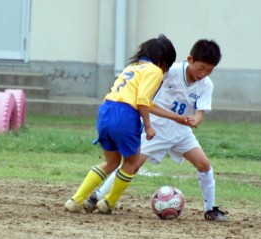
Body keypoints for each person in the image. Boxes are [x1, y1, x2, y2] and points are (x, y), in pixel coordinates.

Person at [84, 39, 228, 222]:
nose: (204, 74)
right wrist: (168, 118)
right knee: (131, 165)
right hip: (156, 129)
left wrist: (196, 119)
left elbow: (201, 111)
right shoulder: (169, 72)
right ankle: (97, 197)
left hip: (182, 133)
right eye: (201, 68)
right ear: (190, 59)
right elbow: (147, 102)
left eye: (210, 70)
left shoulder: (207, 84)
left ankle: (210, 209)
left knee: (204, 165)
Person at [64, 34, 186, 213]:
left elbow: (147, 103)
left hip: (106, 110)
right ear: (163, 60)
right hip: (125, 115)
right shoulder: (155, 70)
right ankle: (108, 203)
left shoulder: (133, 67)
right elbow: (143, 100)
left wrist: (174, 117)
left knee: (111, 162)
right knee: (132, 162)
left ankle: (75, 200)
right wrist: (149, 126)